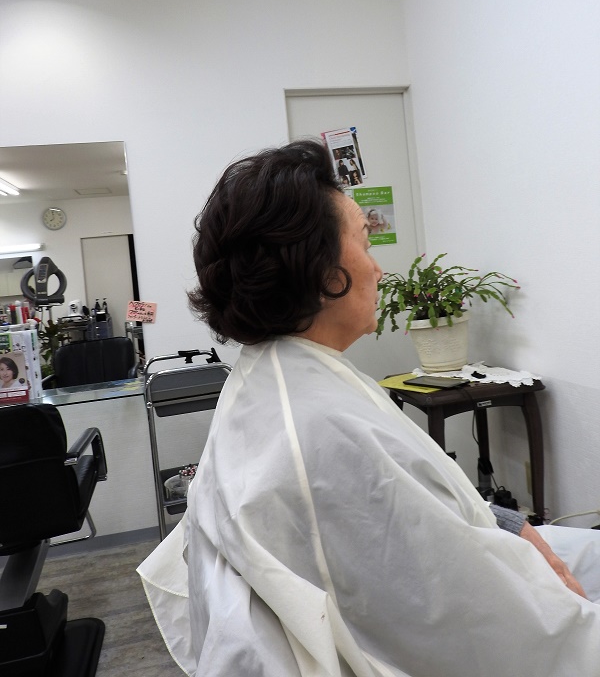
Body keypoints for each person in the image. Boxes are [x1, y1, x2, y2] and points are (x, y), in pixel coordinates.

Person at [138, 139, 600, 677]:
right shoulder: (322, 427)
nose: (379, 269)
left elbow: (421, 510)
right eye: (364, 242)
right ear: (318, 269)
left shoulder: (279, 377)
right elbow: (486, 619)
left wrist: (510, 524)